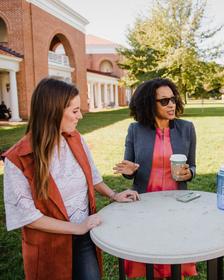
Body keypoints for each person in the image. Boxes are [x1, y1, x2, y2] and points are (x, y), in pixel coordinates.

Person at [3, 78, 140, 280]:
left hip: (84, 236)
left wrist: (114, 195)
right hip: (49, 245)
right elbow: (28, 218)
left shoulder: (75, 138)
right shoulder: (18, 159)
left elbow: (92, 177)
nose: (81, 116)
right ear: (53, 111)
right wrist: (77, 228)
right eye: (75, 111)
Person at [113, 77, 197, 279]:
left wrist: (190, 173)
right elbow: (128, 167)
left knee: (174, 249)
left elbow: (192, 165)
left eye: (173, 99)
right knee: (149, 249)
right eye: (164, 101)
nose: (171, 105)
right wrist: (129, 169)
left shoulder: (186, 128)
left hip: (176, 201)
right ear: (149, 104)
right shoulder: (135, 130)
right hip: (145, 201)